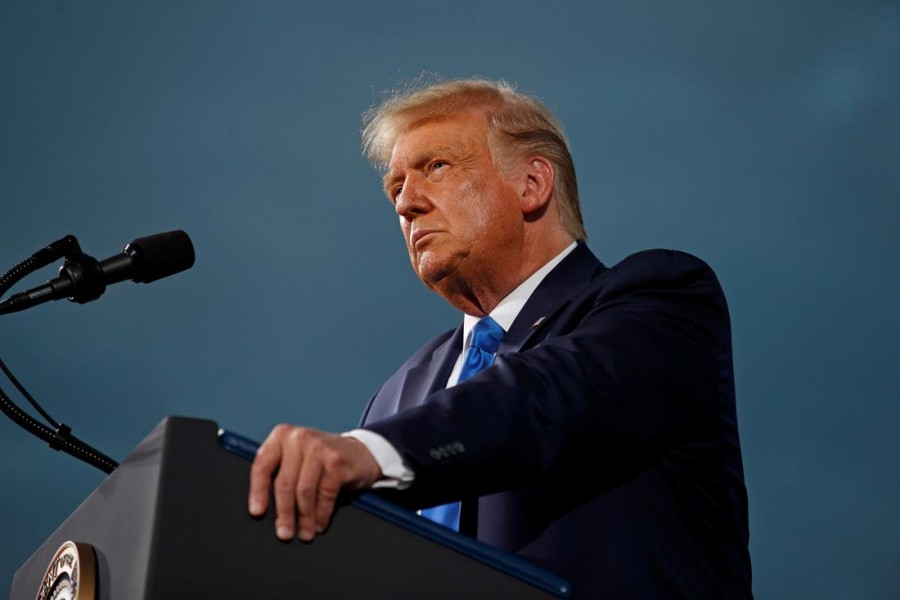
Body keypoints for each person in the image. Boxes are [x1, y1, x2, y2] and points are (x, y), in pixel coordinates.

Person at [248, 78, 753, 598]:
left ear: (532, 184)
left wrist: (373, 452)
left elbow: (543, 396)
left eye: (436, 167)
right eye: (395, 188)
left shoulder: (660, 298)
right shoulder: (397, 395)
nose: (406, 205)